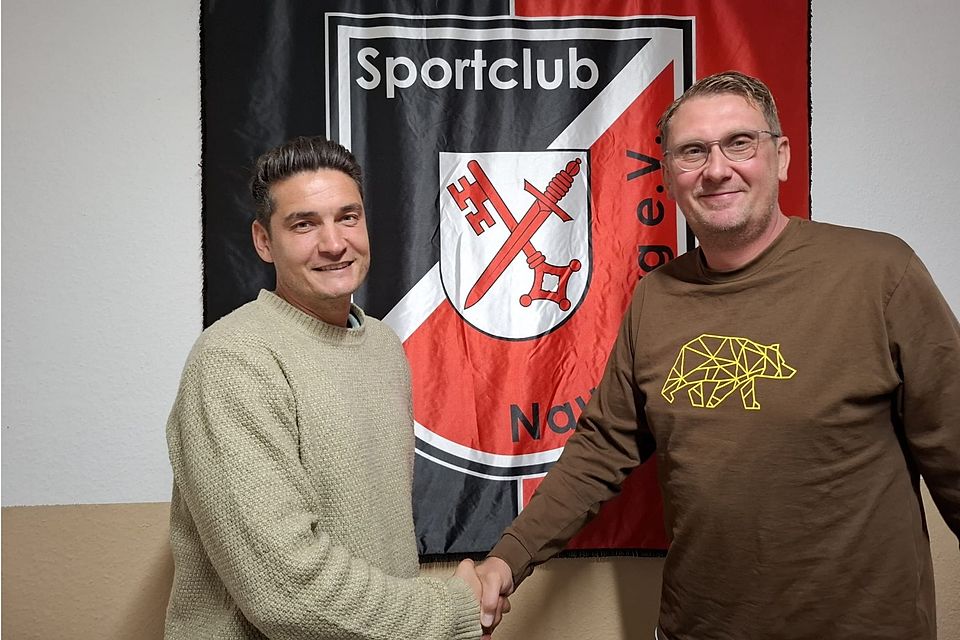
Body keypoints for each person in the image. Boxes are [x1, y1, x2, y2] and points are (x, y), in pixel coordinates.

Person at [475, 71, 960, 639]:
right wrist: (505, 560)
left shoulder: (880, 273)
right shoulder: (656, 297)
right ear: (669, 177)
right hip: (700, 627)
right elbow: (600, 450)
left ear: (780, 156)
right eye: (692, 152)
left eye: (739, 143)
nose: (716, 169)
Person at [164, 136, 494, 639]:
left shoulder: (382, 345)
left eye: (348, 217)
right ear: (262, 241)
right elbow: (286, 590)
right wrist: (449, 609)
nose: (334, 243)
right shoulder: (234, 361)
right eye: (304, 224)